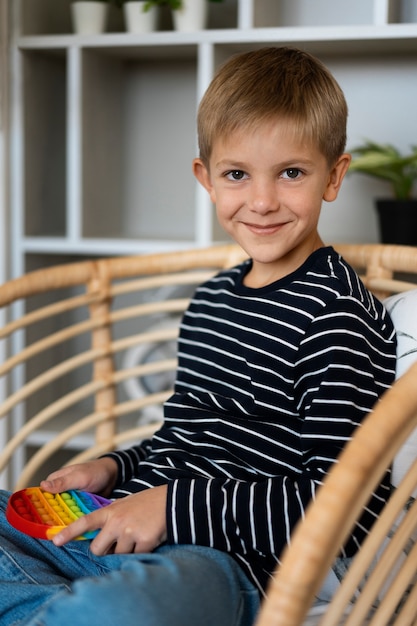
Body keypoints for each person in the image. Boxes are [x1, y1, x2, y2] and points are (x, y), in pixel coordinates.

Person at [0, 47, 396, 626]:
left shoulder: (336, 316)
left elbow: (351, 507)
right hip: (125, 522)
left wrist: (173, 508)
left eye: (291, 173)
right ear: (206, 178)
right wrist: (113, 469)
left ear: (333, 176)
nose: (261, 201)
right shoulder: (211, 300)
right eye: (237, 174)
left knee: (126, 610)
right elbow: (184, 440)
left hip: (223, 565)